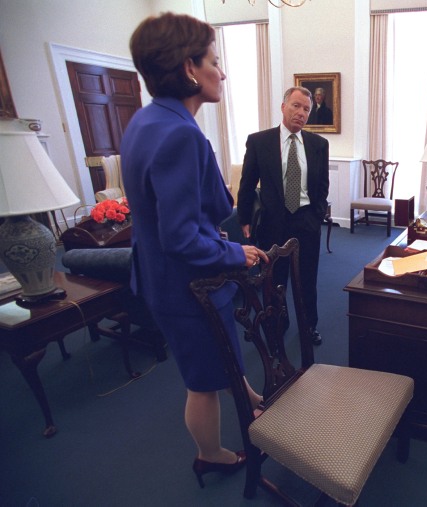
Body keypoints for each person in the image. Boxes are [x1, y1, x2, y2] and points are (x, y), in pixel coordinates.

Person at [121, 12, 269, 487]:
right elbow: (180, 237)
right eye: (214, 61)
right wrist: (234, 254)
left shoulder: (146, 121)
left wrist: (215, 236)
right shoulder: (180, 133)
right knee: (203, 384)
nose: (222, 73)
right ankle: (211, 455)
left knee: (217, 354)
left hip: (166, 278)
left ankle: (250, 401)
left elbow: (174, 219)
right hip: (188, 287)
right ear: (189, 68)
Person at [237, 86, 330, 345]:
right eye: (296, 106)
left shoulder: (318, 144)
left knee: (307, 279)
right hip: (273, 222)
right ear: (283, 106)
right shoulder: (259, 141)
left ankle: (309, 326)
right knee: (274, 279)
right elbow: (247, 183)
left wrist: (317, 214)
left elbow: (323, 185)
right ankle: (277, 323)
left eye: (306, 109)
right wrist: (244, 218)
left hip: (306, 221)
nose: (301, 113)